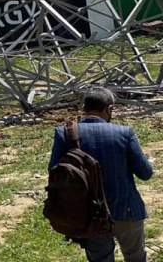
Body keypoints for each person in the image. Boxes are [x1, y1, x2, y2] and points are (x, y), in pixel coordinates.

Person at [48, 87, 153, 262]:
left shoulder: (64, 133)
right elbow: (145, 173)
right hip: (126, 209)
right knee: (135, 257)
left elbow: (54, 171)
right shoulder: (124, 133)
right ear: (109, 108)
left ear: (85, 107)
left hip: (89, 213)